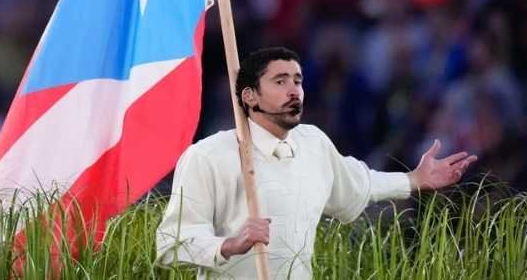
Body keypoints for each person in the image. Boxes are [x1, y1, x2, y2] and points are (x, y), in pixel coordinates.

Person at [156, 47, 477, 279]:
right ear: (250, 96)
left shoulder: (314, 144)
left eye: (298, 81)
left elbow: (358, 182)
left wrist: (413, 180)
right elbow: (170, 244)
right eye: (280, 82)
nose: (294, 91)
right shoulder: (207, 156)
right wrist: (229, 245)